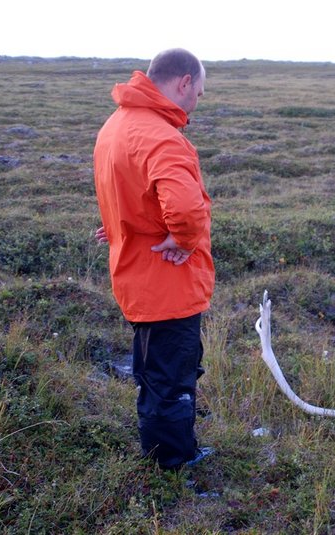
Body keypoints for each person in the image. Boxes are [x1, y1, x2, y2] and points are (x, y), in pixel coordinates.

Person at [93, 48, 214, 469]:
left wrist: (118, 224)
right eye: (198, 92)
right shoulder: (161, 136)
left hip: (134, 276)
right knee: (172, 379)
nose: (198, 101)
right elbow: (184, 208)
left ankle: (162, 453)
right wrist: (185, 239)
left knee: (153, 372)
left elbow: (124, 187)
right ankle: (173, 466)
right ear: (183, 82)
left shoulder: (116, 125)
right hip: (168, 282)